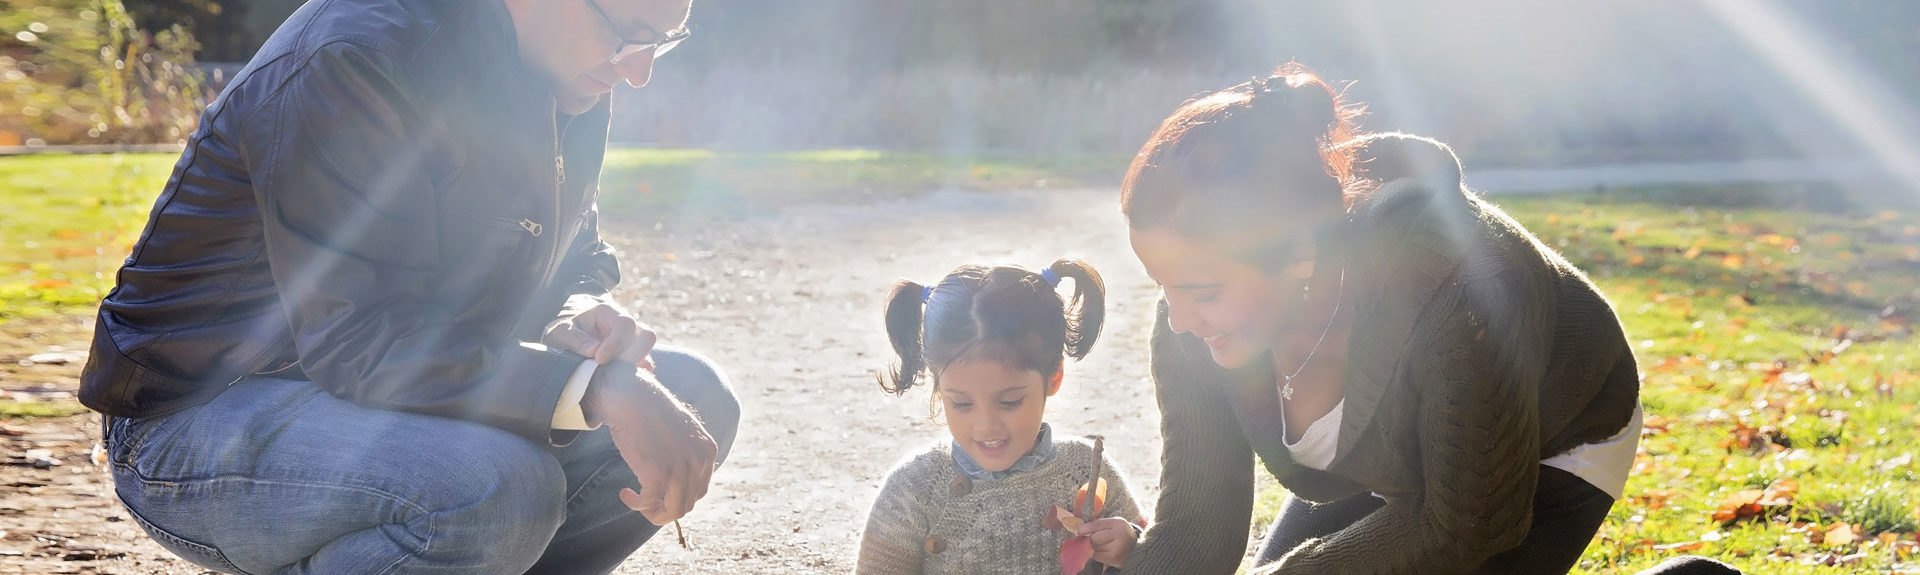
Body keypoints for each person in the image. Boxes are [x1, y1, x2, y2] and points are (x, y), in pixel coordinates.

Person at [78, 0, 738, 573]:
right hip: (198, 412)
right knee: (494, 492)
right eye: (628, 32)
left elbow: (574, 255)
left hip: (374, 391)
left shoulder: (570, 71)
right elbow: (356, 340)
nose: (638, 69)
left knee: (694, 395)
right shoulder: (357, 55)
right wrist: (593, 387)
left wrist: (575, 310)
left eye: (659, 41)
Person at [1115, 63, 1742, 574]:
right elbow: (1197, 535)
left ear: (1298, 251)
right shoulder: (1194, 322)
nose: (1178, 320)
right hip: (1393, 454)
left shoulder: (1466, 285)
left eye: (1201, 291)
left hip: (1544, 444)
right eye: (1163, 287)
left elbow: (1470, 524)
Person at [857, 260, 1147, 575]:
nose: (986, 425)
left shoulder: (1087, 472)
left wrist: (1133, 545)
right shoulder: (913, 490)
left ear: (1053, 377)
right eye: (962, 403)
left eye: (1009, 401)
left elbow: (1161, 557)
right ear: (939, 388)